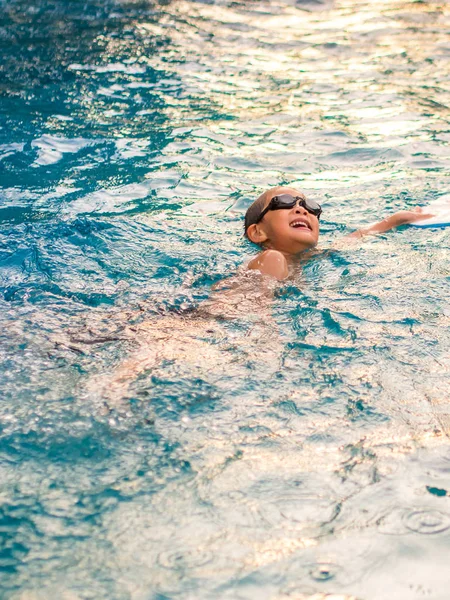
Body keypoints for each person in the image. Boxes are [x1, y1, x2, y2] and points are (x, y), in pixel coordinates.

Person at [244, 186, 434, 281]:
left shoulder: (310, 259)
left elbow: (359, 236)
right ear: (258, 232)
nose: (301, 210)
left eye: (309, 206)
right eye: (283, 202)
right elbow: (254, 317)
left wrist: (396, 219)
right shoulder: (271, 259)